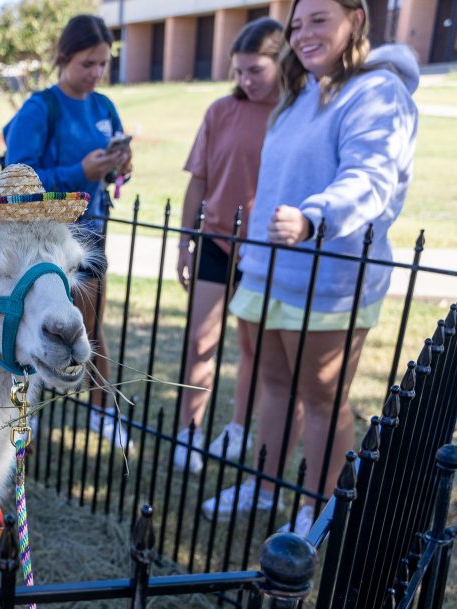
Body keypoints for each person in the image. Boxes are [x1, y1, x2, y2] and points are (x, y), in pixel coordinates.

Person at [202, 0, 418, 536]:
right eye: (297, 25)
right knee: (273, 386)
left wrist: (313, 218)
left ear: (357, 20)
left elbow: (371, 179)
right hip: (271, 271)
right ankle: (264, 485)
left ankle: (313, 508)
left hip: (330, 280)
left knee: (322, 400)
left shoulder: (378, 92)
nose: (303, 34)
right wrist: (255, 254)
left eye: (319, 19)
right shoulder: (296, 98)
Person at [4, 14, 132, 447]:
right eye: (87, 64)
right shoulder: (41, 108)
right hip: (43, 239)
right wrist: (79, 171)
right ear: (64, 58)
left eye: (103, 64)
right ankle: (26, 408)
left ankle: (101, 409)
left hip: (89, 232)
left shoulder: (104, 108)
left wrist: (120, 168)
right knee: (36, 322)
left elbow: (113, 176)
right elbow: (18, 174)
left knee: (90, 325)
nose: (96, 73)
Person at [173, 18, 286, 474]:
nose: (244, 81)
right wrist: (185, 242)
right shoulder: (221, 111)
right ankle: (188, 431)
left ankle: (237, 430)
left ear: (283, 62)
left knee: (254, 347)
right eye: (238, 71)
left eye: (255, 70)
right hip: (215, 242)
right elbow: (198, 180)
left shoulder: (296, 112)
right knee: (201, 340)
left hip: (266, 251)